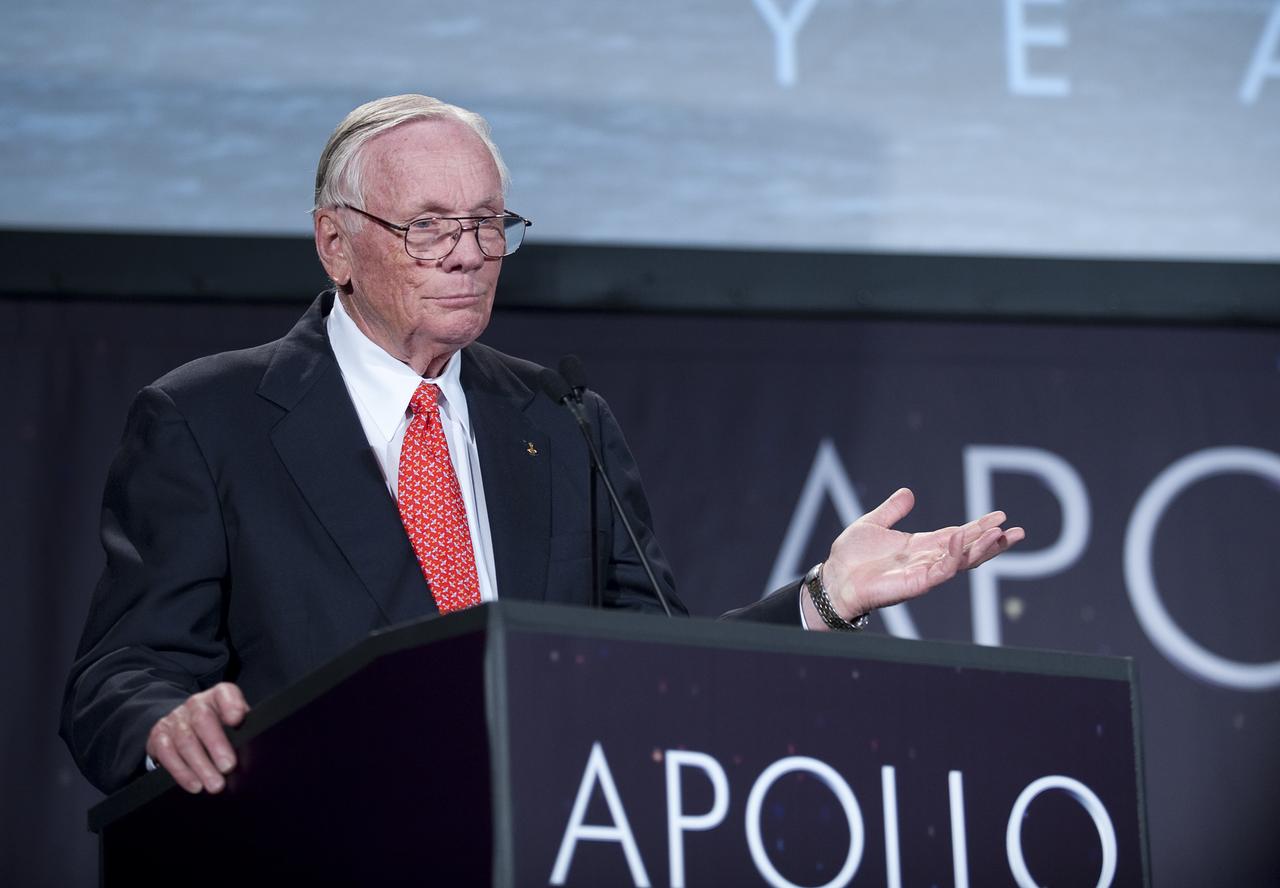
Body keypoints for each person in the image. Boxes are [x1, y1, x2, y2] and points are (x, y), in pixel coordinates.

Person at [60, 95, 1023, 797]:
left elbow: (654, 671)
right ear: (334, 243)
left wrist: (823, 599)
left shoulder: (560, 419)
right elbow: (117, 676)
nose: (471, 252)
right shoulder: (209, 419)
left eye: (487, 222)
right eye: (428, 226)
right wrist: (161, 724)